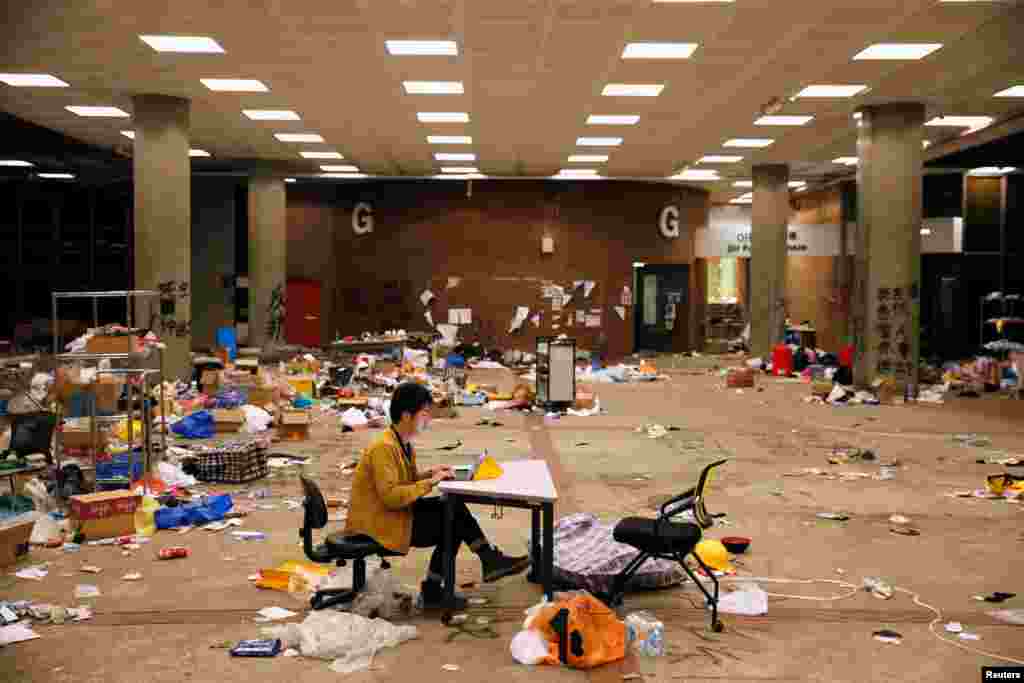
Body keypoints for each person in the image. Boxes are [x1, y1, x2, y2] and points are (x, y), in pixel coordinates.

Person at [345, 382, 531, 608]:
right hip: (380, 523)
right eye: (424, 413)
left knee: (451, 508)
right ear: (406, 415)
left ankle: (477, 566)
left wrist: (430, 473)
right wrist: (430, 482)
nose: (428, 419)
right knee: (451, 519)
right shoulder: (384, 447)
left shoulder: (401, 443)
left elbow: (405, 481)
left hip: (392, 512)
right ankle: (476, 566)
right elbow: (391, 496)